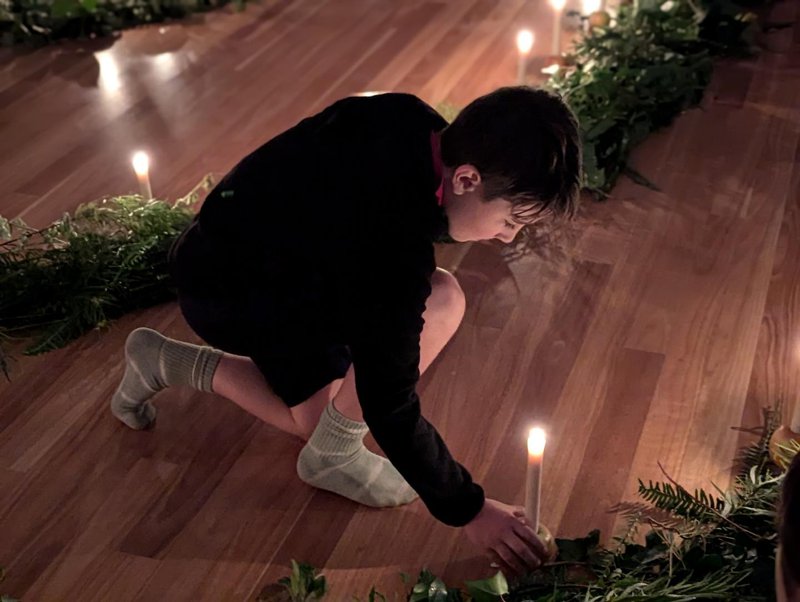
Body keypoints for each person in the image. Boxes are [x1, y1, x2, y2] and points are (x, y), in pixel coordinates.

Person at [110, 87, 582, 575]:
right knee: (440, 302)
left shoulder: (408, 117)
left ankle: (160, 359)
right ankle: (329, 452)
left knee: (326, 422)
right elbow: (388, 401)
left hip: (243, 253)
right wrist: (470, 509)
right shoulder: (389, 243)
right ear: (466, 178)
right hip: (234, 294)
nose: (508, 236)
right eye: (510, 220)